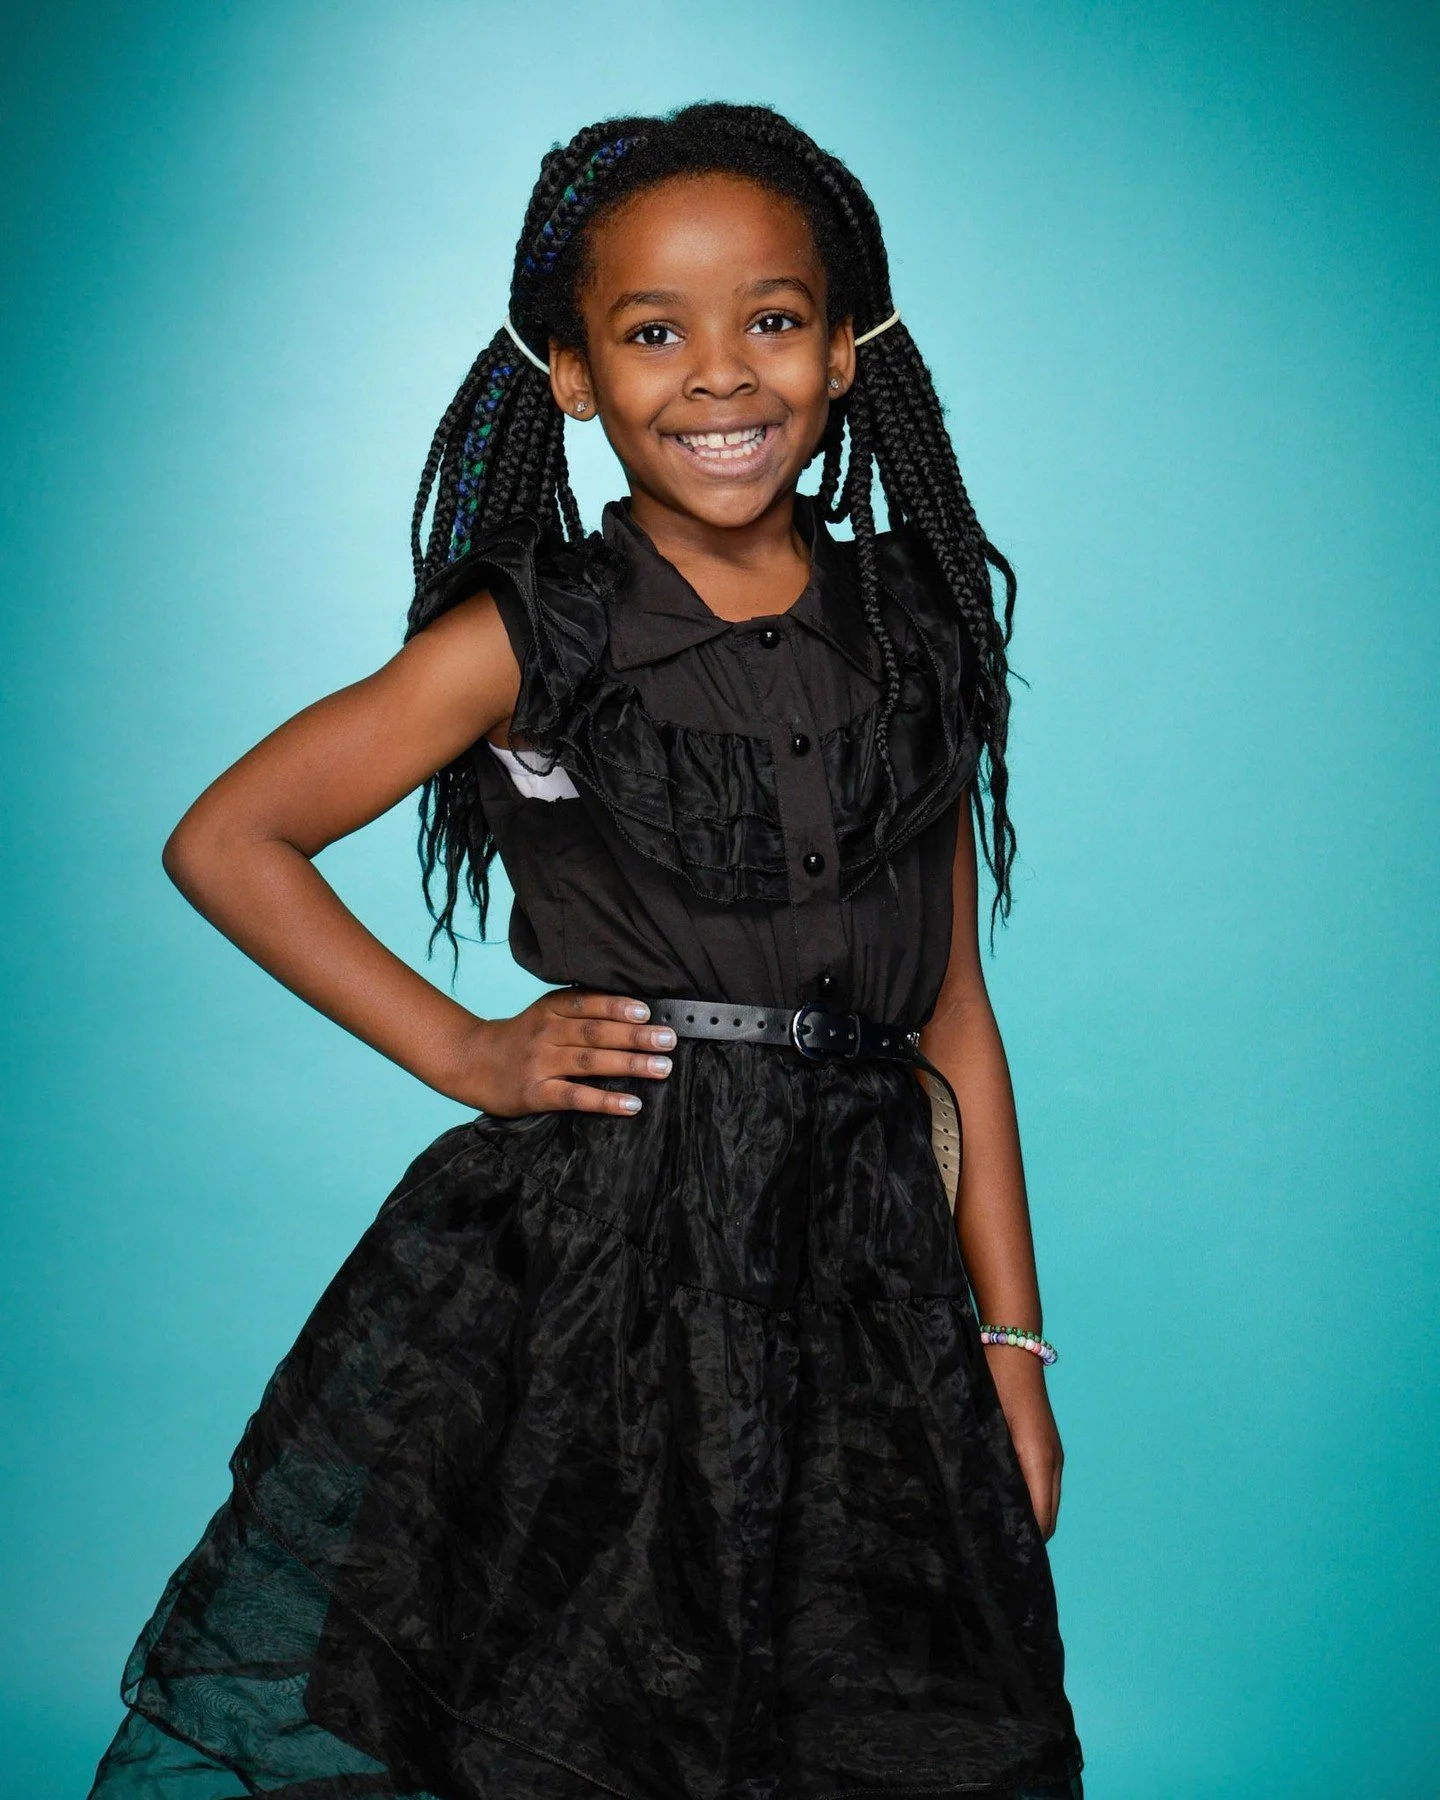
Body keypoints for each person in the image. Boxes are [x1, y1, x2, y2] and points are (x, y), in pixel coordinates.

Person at [87, 101, 1085, 1800]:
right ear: (569, 374)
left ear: (847, 353)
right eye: (652, 333)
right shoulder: (531, 633)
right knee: (584, 1704)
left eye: (773, 320)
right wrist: (470, 1050)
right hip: (606, 1271)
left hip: (862, 1277)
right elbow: (229, 838)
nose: (720, 376)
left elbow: (956, 1015)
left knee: (858, 1709)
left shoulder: (914, 631)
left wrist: (1014, 1345)